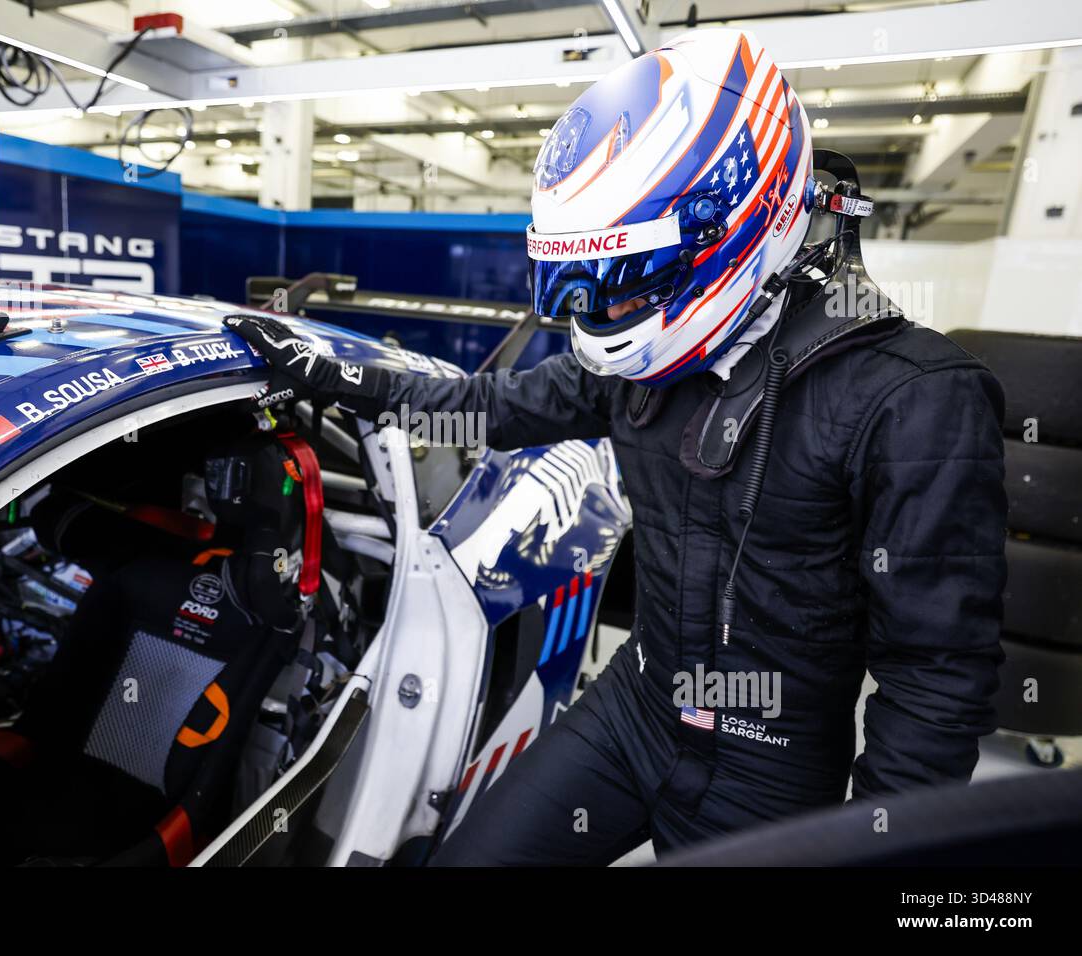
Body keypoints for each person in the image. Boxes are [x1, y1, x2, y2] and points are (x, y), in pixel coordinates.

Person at [224, 28, 1007, 866]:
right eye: (591, 279)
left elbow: (936, 678)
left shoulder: (916, 394)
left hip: (768, 761)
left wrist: (881, 847)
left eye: (629, 275)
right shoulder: (641, 366)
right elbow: (491, 409)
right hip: (636, 704)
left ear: (740, 226)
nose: (606, 306)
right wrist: (347, 379)